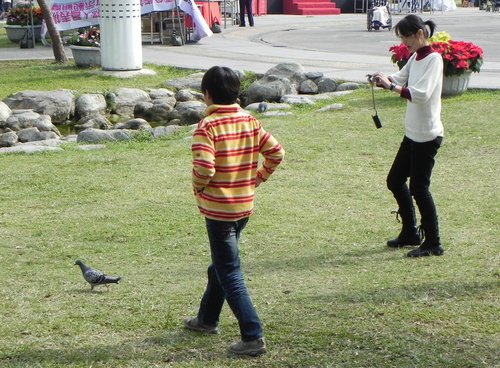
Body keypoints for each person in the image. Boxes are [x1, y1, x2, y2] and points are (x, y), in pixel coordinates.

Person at [185, 66, 285, 356]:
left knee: (229, 272)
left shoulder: (207, 127)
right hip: (243, 208)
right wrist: (257, 178)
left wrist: (199, 188)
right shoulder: (249, 121)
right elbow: (276, 152)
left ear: (207, 94)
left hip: (219, 212)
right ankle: (206, 319)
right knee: (221, 265)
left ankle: (252, 336)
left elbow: (204, 167)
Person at [371, 14, 444, 257]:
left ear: (419, 34)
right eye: (401, 39)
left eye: (406, 38)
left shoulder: (434, 59)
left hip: (427, 135)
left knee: (419, 188)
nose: (404, 43)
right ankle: (410, 232)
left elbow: (420, 94)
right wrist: (383, 79)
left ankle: (433, 242)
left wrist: (391, 87)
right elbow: (400, 78)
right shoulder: (416, 57)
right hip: (413, 133)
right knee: (394, 180)